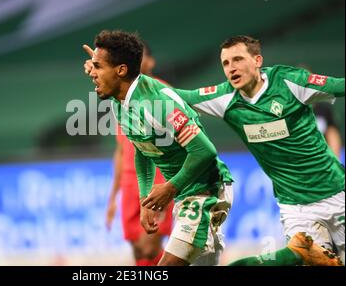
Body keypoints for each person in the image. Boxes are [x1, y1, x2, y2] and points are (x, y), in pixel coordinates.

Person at [173, 35, 344, 266]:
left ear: (257, 60)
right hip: (295, 208)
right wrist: (140, 86)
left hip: (337, 195)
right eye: (225, 63)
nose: (231, 68)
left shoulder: (290, 82)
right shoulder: (225, 98)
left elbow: (340, 85)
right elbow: (175, 97)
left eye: (238, 59)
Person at [82, 30, 234, 266]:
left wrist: (170, 188)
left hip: (207, 189)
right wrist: (146, 200)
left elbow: (205, 151)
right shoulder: (118, 101)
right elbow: (142, 151)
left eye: (99, 68)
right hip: (185, 191)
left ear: (121, 70)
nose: (93, 74)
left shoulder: (157, 104)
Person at [105, 42, 174, 266]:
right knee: (137, 251)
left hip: (156, 178)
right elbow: (120, 150)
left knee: (149, 245)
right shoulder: (120, 98)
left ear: (151, 62)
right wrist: (113, 196)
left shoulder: (162, 92)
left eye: (141, 57)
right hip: (129, 181)